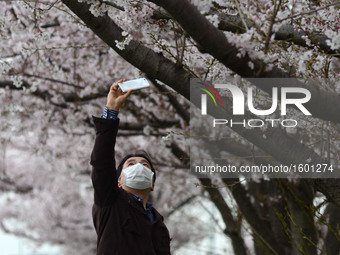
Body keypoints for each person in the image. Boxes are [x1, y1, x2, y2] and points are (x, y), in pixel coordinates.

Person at [90, 79, 171, 255]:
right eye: (131, 164)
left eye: (145, 165)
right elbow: (102, 163)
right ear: (119, 181)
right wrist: (111, 111)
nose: (139, 167)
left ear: (152, 184)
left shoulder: (158, 222)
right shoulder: (110, 203)